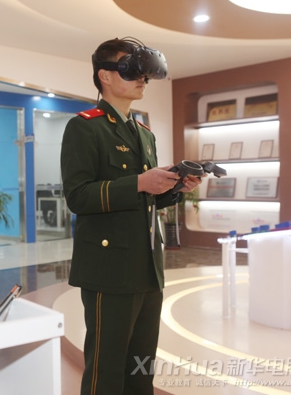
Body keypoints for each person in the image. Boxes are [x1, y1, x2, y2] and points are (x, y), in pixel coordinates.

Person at [60, 37, 203, 394]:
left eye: (144, 73)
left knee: (141, 368)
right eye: (132, 70)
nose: (142, 78)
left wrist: (174, 188)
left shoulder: (143, 133)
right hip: (108, 268)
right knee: (106, 370)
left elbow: (144, 201)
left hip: (147, 267)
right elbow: (78, 196)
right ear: (105, 76)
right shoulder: (85, 126)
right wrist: (140, 182)